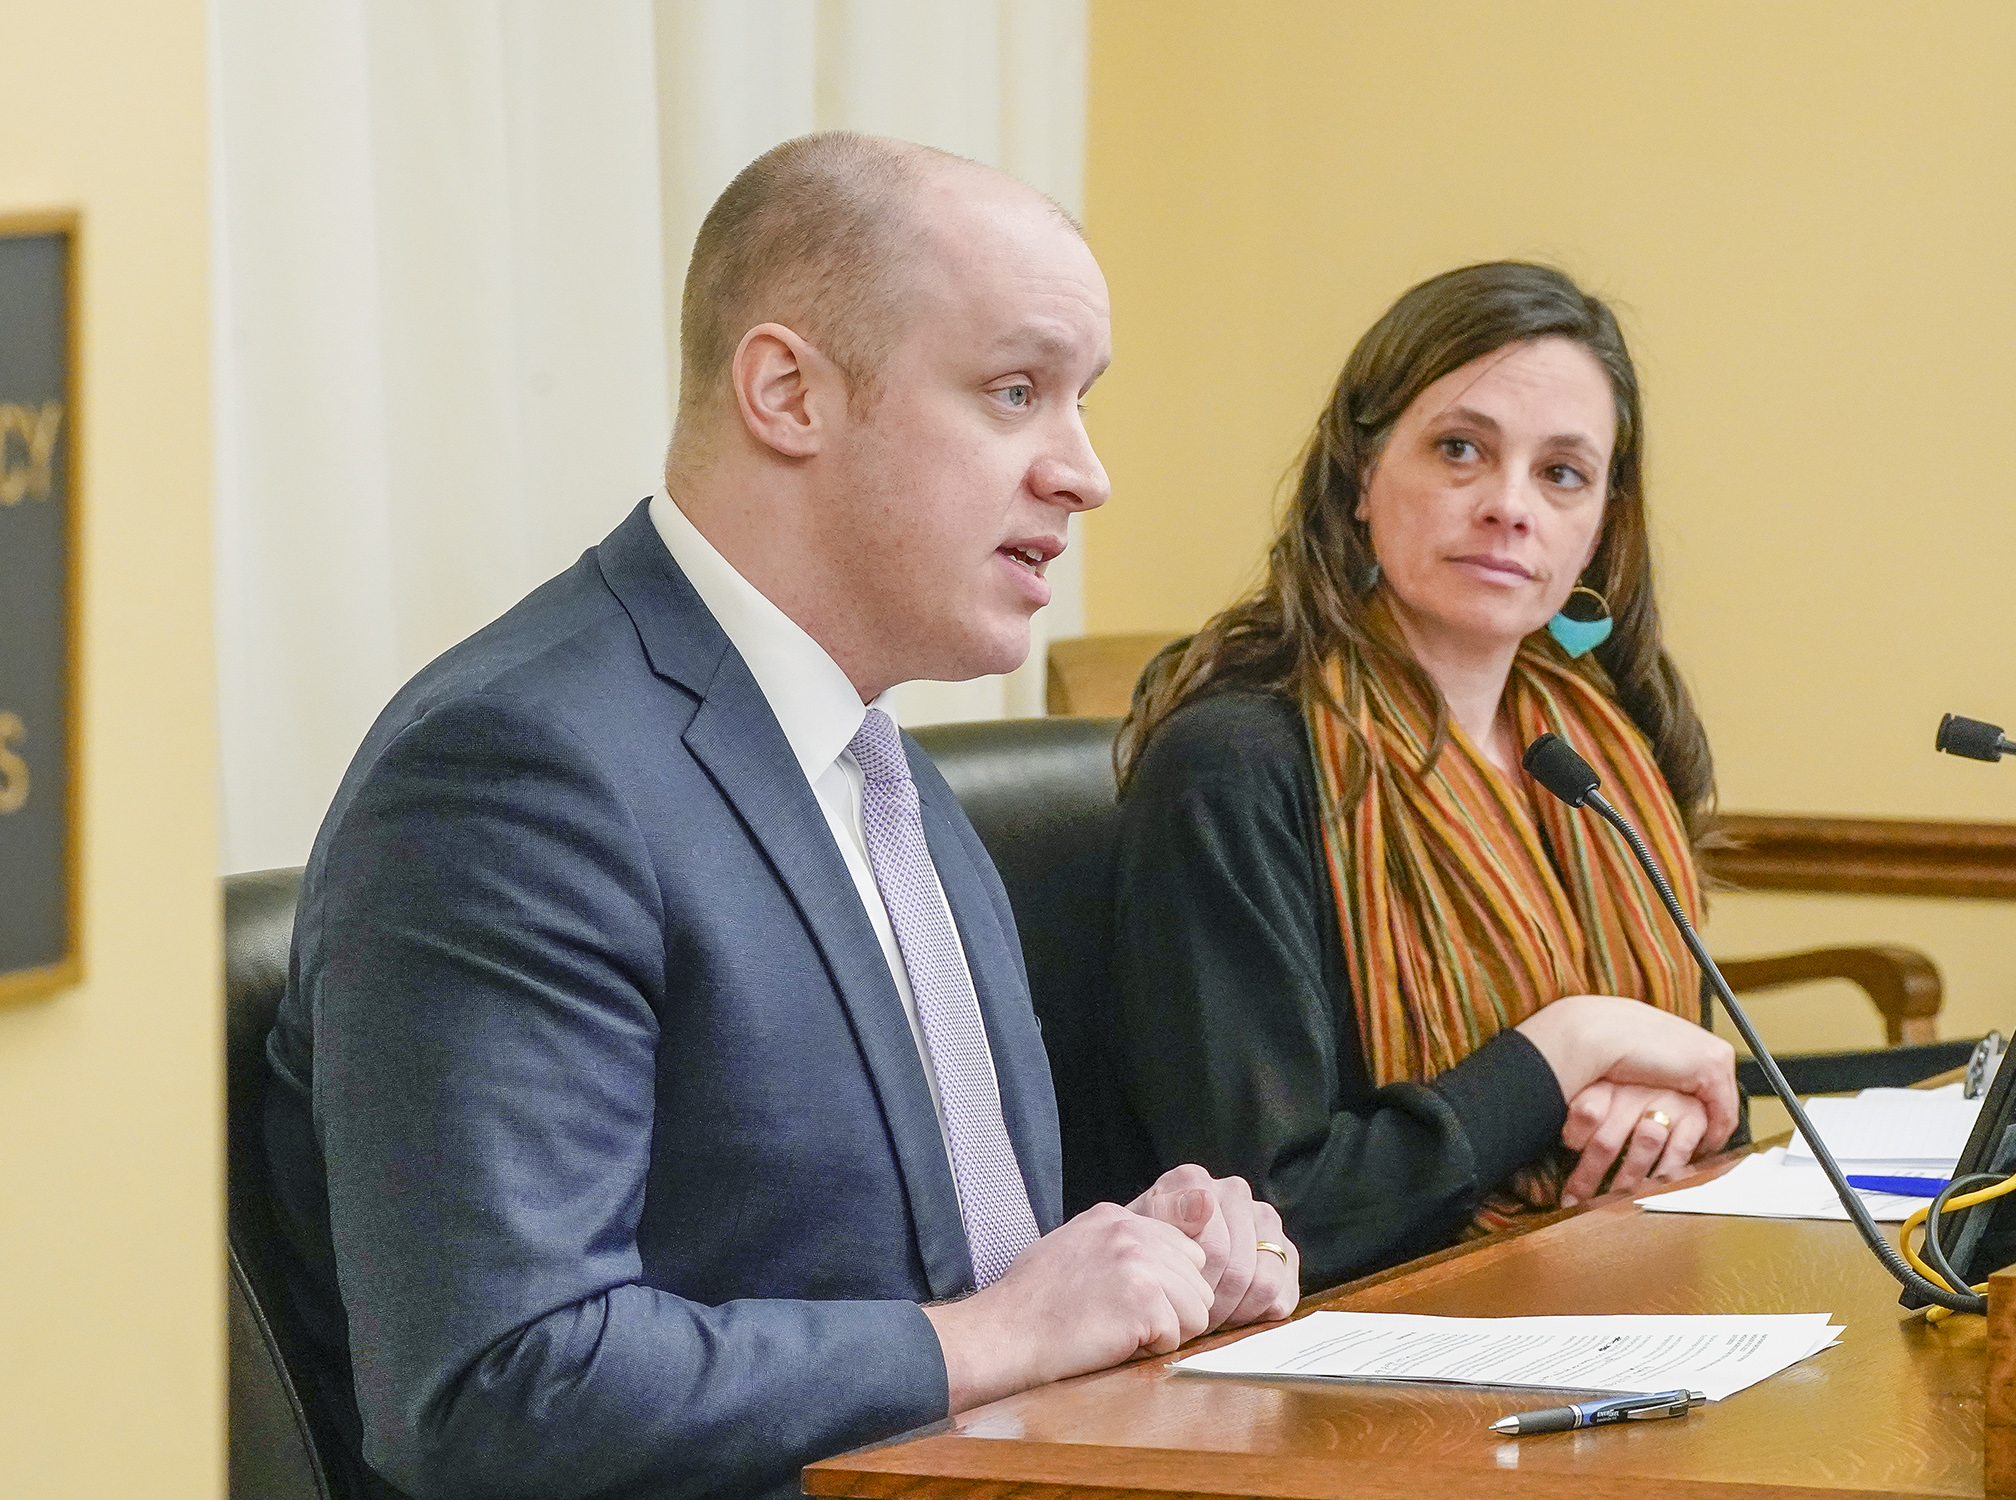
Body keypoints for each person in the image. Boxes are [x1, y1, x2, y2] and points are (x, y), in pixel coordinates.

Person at [263, 132, 1299, 1500]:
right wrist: (998, 1334)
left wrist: (1143, 1258)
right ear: (787, 393)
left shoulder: (884, 769)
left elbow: (914, 1270)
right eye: (1015, 391)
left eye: (1081, 401)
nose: (1083, 472)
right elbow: (497, 1388)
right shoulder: (512, 772)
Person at [1113, 261, 1741, 1293]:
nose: (1509, 506)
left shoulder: (1599, 751)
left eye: (1563, 474)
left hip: (1601, 1298)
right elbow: (1275, 1212)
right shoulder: (1237, 766)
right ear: (1360, 476)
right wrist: (1566, 1048)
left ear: (1601, 525)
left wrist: (1658, 1119)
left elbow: (1702, 1075)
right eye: (1461, 450)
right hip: (1335, 1368)